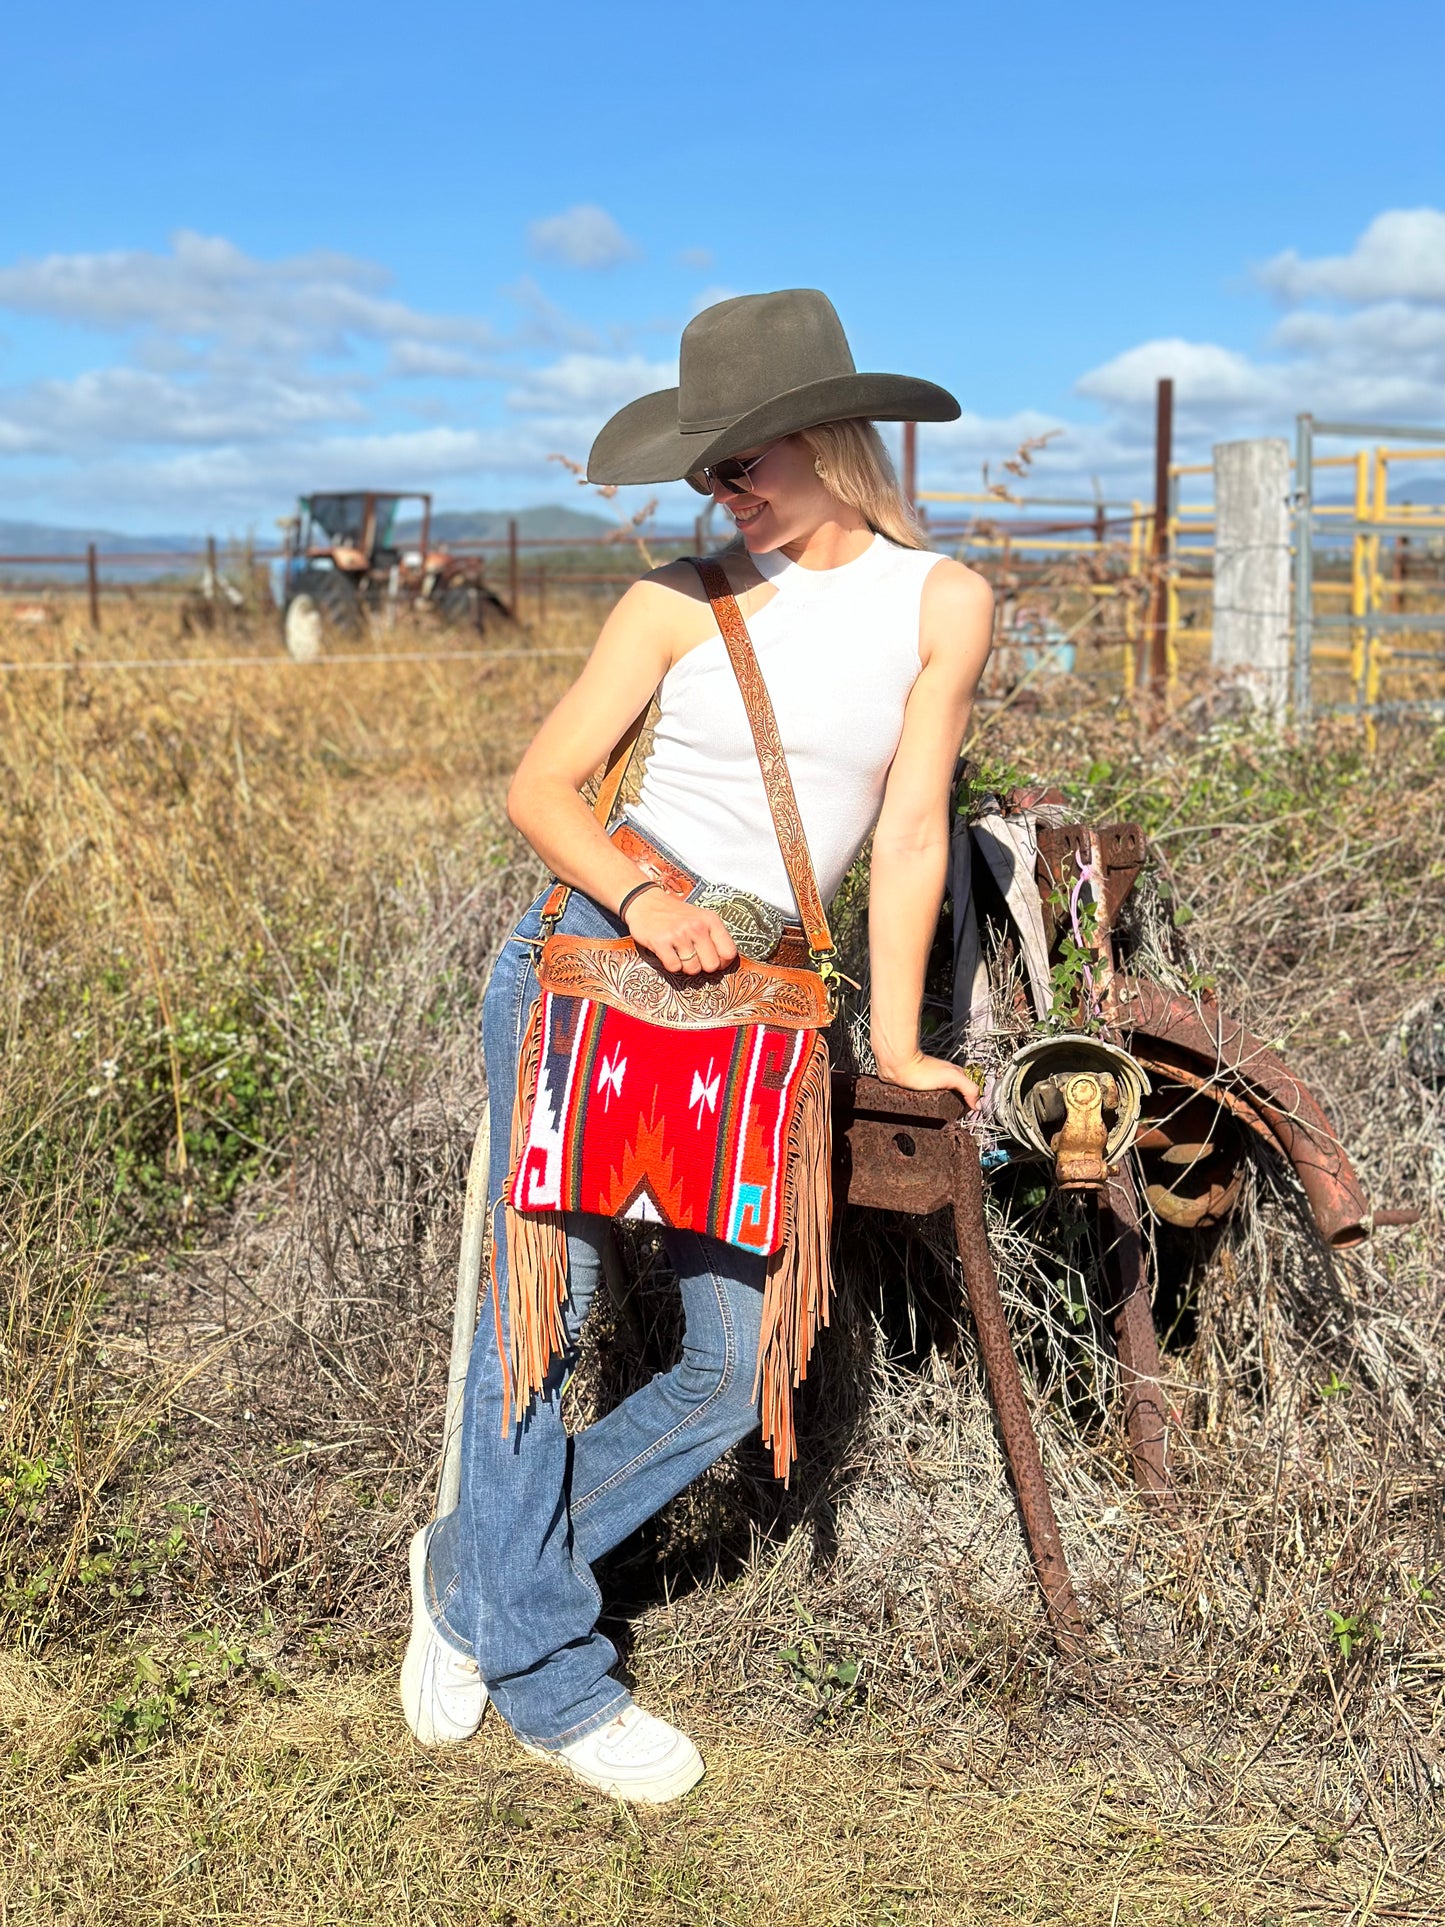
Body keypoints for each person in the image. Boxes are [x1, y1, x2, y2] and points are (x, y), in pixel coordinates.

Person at [400, 290, 994, 1803]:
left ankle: (471, 1570)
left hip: (762, 1008)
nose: (721, 496)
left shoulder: (943, 601)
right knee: (542, 1316)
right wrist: (651, 897)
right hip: (595, 970)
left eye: (744, 465)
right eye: (707, 474)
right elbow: (542, 791)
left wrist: (908, 1039)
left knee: (734, 1367)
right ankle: (547, 1670)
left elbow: (913, 830)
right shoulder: (679, 598)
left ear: (828, 441)